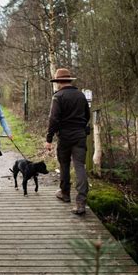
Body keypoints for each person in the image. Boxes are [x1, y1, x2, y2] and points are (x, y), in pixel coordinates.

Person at [45, 68, 90, 215]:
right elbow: (87, 115)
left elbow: (53, 119)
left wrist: (49, 139)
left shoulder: (58, 97)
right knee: (80, 167)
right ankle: (81, 202)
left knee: (64, 165)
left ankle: (65, 193)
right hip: (80, 136)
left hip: (64, 136)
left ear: (58, 82)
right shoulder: (81, 95)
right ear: (69, 80)